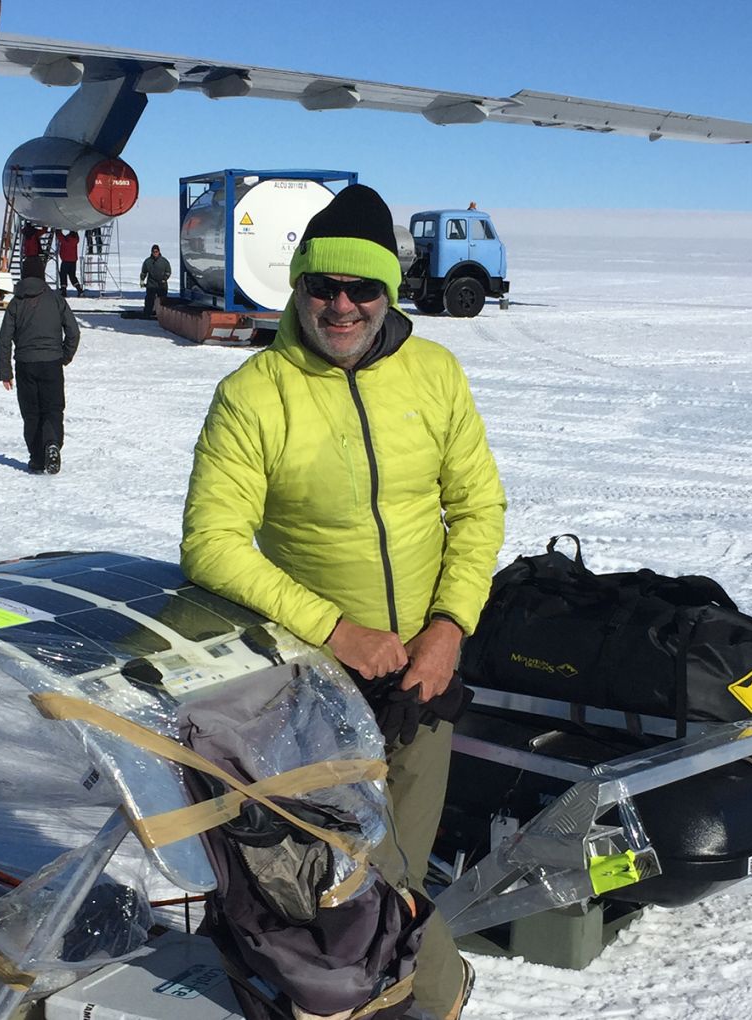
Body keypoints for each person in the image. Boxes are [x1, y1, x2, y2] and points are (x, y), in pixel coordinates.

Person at [181, 184, 505, 1020]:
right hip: (315, 690)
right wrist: (336, 631)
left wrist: (448, 628)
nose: (342, 305)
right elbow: (212, 542)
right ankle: (428, 998)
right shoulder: (256, 393)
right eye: (323, 286)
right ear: (298, 288)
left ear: (388, 291)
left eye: (362, 287)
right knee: (343, 882)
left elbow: (477, 508)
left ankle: (410, 999)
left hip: (424, 681)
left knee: (397, 874)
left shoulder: (434, 373)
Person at [0, 257, 79, 475]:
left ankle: (36, 458)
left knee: (31, 412)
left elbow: (5, 339)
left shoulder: (16, 302)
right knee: (53, 408)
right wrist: (64, 356)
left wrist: (5, 371)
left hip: (25, 364)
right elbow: (73, 331)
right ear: (42, 274)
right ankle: (52, 443)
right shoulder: (56, 299)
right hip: (52, 363)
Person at [138, 244, 170, 316]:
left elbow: (168, 271)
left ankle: (163, 314)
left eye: (156, 251)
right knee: (149, 299)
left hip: (162, 284)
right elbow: (144, 272)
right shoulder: (148, 261)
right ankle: (147, 313)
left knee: (162, 300)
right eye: (153, 252)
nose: (155, 253)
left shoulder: (164, 261)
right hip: (151, 284)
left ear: (159, 251)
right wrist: (142, 280)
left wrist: (164, 279)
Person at [54, 229, 83, 297]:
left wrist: (58, 231)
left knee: (63, 275)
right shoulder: (75, 240)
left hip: (66, 260)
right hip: (73, 261)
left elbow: (60, 237)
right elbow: (62, 238)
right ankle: (79, 289)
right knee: (72, 276)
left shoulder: (67, 240)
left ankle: (64, 290)